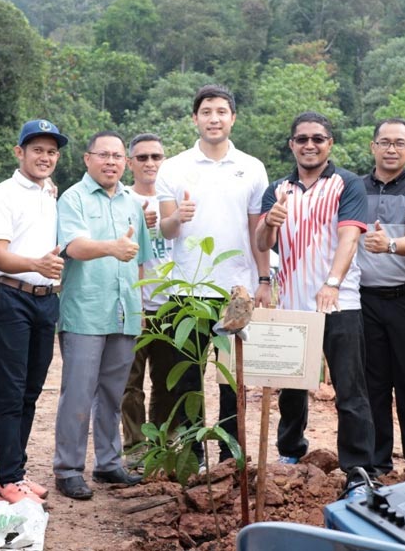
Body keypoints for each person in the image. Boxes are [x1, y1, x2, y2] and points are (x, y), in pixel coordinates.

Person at [157, 85, 271, 466]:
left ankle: (228, 456)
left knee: (231, 380)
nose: (214, 118)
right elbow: (167, 230)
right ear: (195, 118)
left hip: (235, 291)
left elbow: (258, 230)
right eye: (206, 111)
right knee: (189, 378)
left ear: (233, 117)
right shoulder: (173, 167)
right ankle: (192, 457)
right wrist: (178, 217)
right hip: (187, 290)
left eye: (221, 111)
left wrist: (264, 279)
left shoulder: (252, 167)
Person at [255, 111, 374, 476]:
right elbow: (262, 243)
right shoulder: (277, 190)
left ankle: (358, 467)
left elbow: (350, 237)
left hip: (340, 302)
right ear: (292, 144)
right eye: (302, 139)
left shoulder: (347, 184)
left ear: (330, 144)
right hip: (292, 303)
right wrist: (269, 225)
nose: (310, 145)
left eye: (318, 138)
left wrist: (332, 282)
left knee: (349, 390)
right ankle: (290, 451)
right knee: (291, 390)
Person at [53, 131, 152, 500]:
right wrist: (112, 248)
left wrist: (139, 305)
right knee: (78, 393)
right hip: (85, 310)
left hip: (124, 312)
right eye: (103, 155)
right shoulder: (73, 198)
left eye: (117, 156)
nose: (111, 162)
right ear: (87, 159)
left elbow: (139, 260)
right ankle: (68, 469)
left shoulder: (131, 201)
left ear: (126, 163)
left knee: (114, 394)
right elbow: (74, 246)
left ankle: (109, 463)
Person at [0, 119, 68, 505]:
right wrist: (36, 263)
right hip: (9, 296)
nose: (44, 157)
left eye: (51, 151)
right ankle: (7, 477)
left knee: (32, 389)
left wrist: (43, 273)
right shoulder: (2, 195)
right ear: (19, 153)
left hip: (45, 299)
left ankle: (16, 471)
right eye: (37, 150)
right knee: (11, 390)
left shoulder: (48, 194)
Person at [356, 117, 405, 475]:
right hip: (364, 299)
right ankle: (377, 463)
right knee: (373, 384)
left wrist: (388, 244)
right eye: (384, 142)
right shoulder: (353, 189)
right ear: (372, 146)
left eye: (399, 143)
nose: (391, 149)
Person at [120, 133, 177, 459]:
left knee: (167, 382)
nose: (149, 163)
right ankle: (135, 447)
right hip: (133, 303)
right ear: (130, 163)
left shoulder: (173, 199)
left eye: (156, 157)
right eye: (142, 157)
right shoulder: (122, 198)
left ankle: (162, 446)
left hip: (172, 303)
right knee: (130, 384)